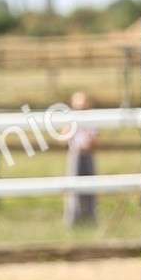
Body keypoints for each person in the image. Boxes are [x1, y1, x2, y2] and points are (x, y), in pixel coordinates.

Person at [63, 91, 99, 226]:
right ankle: (73, 219)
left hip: (88, 153)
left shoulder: (93, 120)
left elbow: (95, 141)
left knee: (90, 188)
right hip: (75, 153)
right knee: (73, 188)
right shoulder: (71, 119)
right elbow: (64, 138)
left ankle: (90, 218)